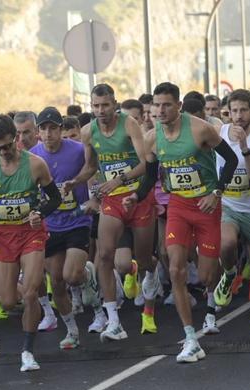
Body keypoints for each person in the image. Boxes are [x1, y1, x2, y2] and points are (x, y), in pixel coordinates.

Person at [141, 82, 239, 363]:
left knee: (208, 276)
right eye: (156, 105)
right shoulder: (152, 138)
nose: (160, 110)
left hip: (206, 205)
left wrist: (216, 191)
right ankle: (191, 338)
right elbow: (149, 177)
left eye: (166, 105)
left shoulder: (200, 129)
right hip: (179, 206)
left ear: (178, 106)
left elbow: (230, 160)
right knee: (176, 269)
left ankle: (225, 277)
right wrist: (134, 197)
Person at [0, 114, 62, 372]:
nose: (4, 152)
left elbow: (54, 198)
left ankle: (28, 352)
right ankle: (33, 302)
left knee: (30, 293)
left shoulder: (35, 164)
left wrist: (39, 213)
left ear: (17, 138)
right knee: (6, 300)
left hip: (30, 233)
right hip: (3, 234)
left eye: (8, 146)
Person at [68, 83, 159, 338]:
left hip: (137, 195)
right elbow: (90, 167)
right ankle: (114, 321)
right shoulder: (88, 131)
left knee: (142, 260)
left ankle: (153, 271)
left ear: (114, 104)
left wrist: (121, 180)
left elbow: (146, 164)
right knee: (105, 257)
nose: (101, 110)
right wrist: (75, 181)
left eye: (105, 105)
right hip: (112, 200)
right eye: (96, 106)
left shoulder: (129, 124)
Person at [31, 107, 98, 349]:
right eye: (44, 128)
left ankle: (87, 276)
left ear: (61, 130)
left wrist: (95, 198)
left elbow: (95, 170)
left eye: (53, 128)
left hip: (78, 219)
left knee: (72, 275)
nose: (48, 133)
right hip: (51, 225)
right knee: (57, 282)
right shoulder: (33, 157)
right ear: (38, 132)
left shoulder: (78, 150)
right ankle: (72, 330)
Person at [210, 90, 250, 335]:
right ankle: (229, 275)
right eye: (234, 111)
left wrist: (244, 149)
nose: (238, 116)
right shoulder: (219, 133)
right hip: (229, 206)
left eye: (244, 110)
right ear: (228, 112)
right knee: (225, 245)